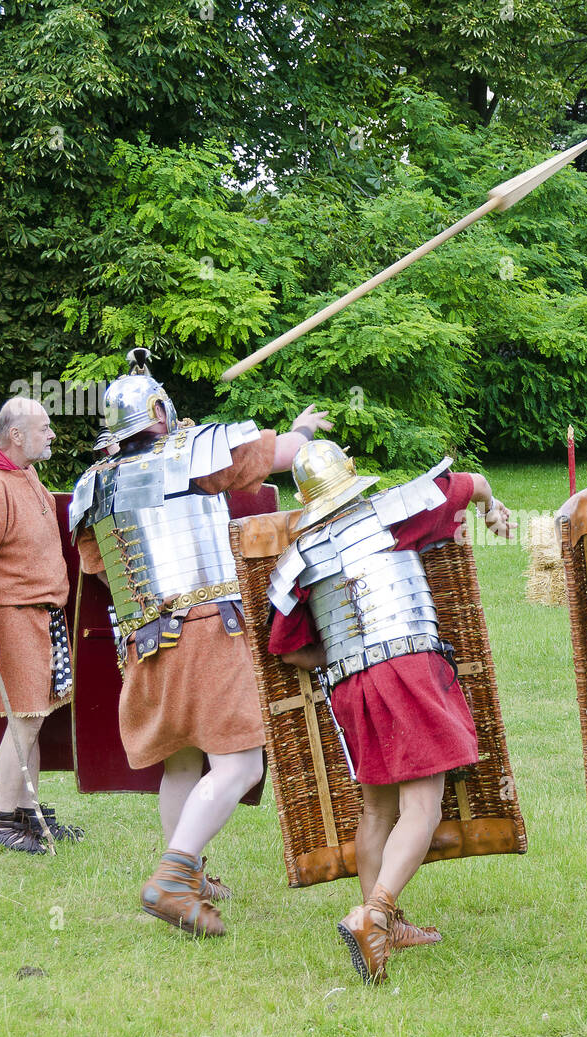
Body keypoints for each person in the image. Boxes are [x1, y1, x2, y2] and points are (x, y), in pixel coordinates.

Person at [70, 348, 332, 937]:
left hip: (143, 641)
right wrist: (299, 431)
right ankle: (173, 876)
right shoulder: (191, 455)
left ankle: (190, 872)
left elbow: (98, 569)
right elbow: (287, 455)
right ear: (159, 412)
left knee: (184, 759)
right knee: (238, 765)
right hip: (209, 628)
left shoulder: (93, 487)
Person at [266, 440, 511, 983]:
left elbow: (286, 646)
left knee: (376, 810)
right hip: (409, 668)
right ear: (352, 478)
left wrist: (345, 655)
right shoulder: (396, 515)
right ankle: (375, 913)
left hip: (350, 685)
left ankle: (387, 926)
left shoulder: (300, 560)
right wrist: (493, 509)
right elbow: (468, 483)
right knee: (421, 807)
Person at [0, 396, 83, 854]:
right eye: (45, 427)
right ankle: (4, 822)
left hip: (41, 616)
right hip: (13, 616)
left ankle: (29, 816)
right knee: (25, 719)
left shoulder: (24, 472)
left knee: (34, 717)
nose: (52, 434)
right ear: (16, 435)